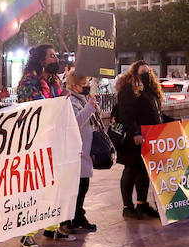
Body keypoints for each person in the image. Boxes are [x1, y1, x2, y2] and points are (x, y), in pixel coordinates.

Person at [14, 44, 73, 247]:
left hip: (55, 142)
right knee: (34, 190)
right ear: (41, 60)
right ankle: (26, 234)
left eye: (56, 55)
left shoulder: (54, 81)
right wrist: (58, 100)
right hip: (35, 144)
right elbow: (34, 108)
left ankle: (51, 228)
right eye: (52, 56)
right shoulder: (29, 81)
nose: (56, 59)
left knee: (54, 186)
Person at [113, 60, 162, 220]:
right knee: (131, 170)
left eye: (148, 72)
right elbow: (127, 114)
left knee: (143, 171)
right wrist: (135, 133)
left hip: (148, 136)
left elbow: (155, 114)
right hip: (133, 138)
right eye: (142, 72)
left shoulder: (149, 90)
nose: (146, 74)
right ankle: (128, 206)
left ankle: (142, 204)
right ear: (134, 73)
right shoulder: (129, 89)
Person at [64, 70, 101, 232]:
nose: (86, 87)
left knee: (83, 185)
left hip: (85, 150)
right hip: (75, 151)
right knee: (76, 187)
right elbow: (76, 122)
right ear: (75, 86)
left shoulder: (82, 99)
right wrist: (89, 108)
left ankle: (79, 214)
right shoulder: (71, 101)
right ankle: (69, 218)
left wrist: (94, 109)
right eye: (84, 84)